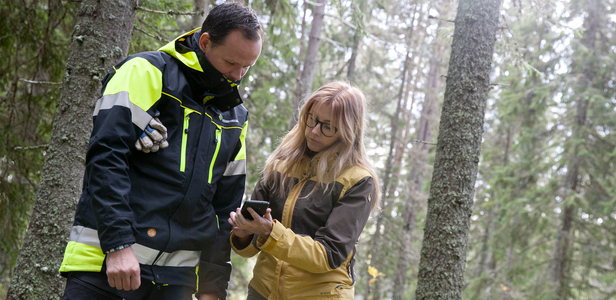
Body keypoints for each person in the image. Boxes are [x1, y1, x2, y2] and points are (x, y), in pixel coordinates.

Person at [58, 3, 263, 300]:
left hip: (176, 283)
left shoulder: (236, 117)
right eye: (232, 63)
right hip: (106, 268)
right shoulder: (145, 71)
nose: (239, 75)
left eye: (248, 66)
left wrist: (212, 288)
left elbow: (224, 210)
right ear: (205, 42)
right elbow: (106, 159)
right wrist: (117, 245)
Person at [228, 81, 380, 300]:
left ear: (347, 131)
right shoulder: (280, 162)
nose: (314, 131)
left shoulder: (358, 180)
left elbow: (328, 255)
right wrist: (244, 234)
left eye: (327, 126)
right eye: (312, 119)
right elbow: (251, 246)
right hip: (263, 291)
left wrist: (270, 232)